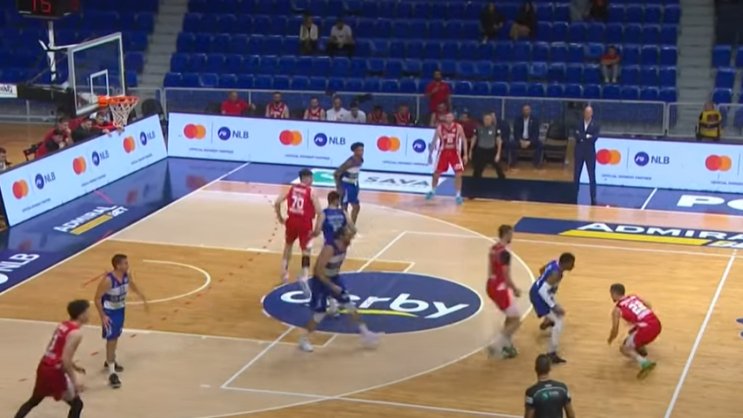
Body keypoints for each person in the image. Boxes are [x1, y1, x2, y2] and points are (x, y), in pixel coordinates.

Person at [299, 226, 378, 352]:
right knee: (319, 314)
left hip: (334, 277)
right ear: (341, 236)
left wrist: (336, 282)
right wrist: (332, 286)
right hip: (321, 282)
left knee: (349, 304)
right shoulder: (330, 248)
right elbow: (317, 270)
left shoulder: (344, 245)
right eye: (349, 235)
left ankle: (365, 332)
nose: (351, 237)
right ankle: (303, 339)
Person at [12, 300, 90, 418]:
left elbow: (52, 348)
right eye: (87, 312)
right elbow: (65, 359)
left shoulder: (63, 325)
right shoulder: (76, 334)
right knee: (77, 404)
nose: (89, 315)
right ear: (81, 315)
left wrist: (74, 366)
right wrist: (75, 381)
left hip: (44, 366)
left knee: (34, 400)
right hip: (55, 371)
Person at [94, 254, 148, 389]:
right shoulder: (108, 280)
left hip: (120, 310)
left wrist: (141, 296)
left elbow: (131, 283)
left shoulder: (126, 275)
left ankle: (109, 361)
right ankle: (112, 373)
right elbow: (97, 298)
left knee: (115, 337)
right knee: (111, 340)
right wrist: (103, 316)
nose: (127, 265)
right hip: (110, 313)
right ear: (118, 266)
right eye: (125, 263)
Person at [274, 168, 322, 286]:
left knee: (288, 245)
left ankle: (284, 273)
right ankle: (304, 275)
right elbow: (319, 212)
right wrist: (317, 227)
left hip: (291, 220)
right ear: (306, 178)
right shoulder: (311, 191)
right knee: (306, 249)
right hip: (304, 222)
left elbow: (277, 202)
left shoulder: (291, 188)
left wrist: (280, 217)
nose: (312, 180)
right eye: (311, 178)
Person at [312, 190, 356, 317]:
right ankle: (336, 301)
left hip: (330, 245)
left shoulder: (324, 214)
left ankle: (333, 304)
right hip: (341, 246)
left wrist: (312, 234)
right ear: (336, 200)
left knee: (326, 272)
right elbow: (353, 228)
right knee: (332, 272)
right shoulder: (343, 212)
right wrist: (348, 236)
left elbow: (317, 230)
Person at [529, 252, 576, 364]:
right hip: (539, 296)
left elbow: (542, 270)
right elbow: (542, 291)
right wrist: (553, 306)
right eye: (572, 263)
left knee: (559, 315)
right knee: (559, 322)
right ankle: (551, 353)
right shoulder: (556, 274)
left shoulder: (554, 263)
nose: (573, 266)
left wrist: (544, 282)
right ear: (566, 263)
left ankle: (548, 320)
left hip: (538, 291)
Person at [607, 283, 660, 379]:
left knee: (624, 348)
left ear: (614, 293)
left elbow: (615, 330)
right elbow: (648, 305)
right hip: (656, 324)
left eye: (611, 293)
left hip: (647, 330)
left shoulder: (617, 310)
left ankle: (645, 363)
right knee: (632, 331)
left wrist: (610, 339)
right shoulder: (633, 297)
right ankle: (640, 347)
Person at [486, 225, 521, 359]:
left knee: (510, 316)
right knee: (516, 320)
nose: (512, 237)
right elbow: (506, 276)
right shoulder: (505, 253)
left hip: (491, 285)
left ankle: (507, 344)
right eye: (511, 234)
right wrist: (515, 289)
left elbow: (491, 269)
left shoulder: (493, 248)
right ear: (507, 234)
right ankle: (496, 345)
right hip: (500, 289)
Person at [426, 113, 468, 204]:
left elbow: (464, 140)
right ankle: (432, 190)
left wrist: (465, 154)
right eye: (447, 117)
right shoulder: (440, 128)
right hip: (443, 152)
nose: (449, 118)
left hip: (455, 152)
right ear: (445, 118)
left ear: (453, 118)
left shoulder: (458, 127)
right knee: (436, 173)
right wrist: (430, 155)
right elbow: (434, 142)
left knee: (459, 174)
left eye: (450, 117)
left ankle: (458, 195)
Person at [573, 106, 600, 205]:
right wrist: (587, 136)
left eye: (589, 112)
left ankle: (593, 197)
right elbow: (576, 135)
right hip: (579, 151)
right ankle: (574, 195)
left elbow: (594, 138)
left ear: (592, 113)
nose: (587, 114)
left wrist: (582, 137)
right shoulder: (578, 123)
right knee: (577, 174)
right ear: (584, 113)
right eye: (586, 112)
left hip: (590, 153)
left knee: (591, 175)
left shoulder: (596, 124)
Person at [334, 142, 364, 224]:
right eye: (359, 150)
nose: (361, 152)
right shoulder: (349, 162)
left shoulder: (361, 160)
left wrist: (357, 184)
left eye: (362, 150)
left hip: (353, 185)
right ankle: (343, 225)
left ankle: (352, 225)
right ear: (354, 151)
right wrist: (339, 187)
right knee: (344, 207)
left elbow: (355, 173)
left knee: (356, 207)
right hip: (345, 186)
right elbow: (336, 173)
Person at [470, 113, 506, 180]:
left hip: (491, 151)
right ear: (483, 120)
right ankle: (475, 182)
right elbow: (474, 139)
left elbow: (499, 141)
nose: (487, 121)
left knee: (498, 168)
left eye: (488, 119)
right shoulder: (478, 128)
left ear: (491, 120)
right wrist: (470, 150)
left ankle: (502, 181)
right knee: (477, 170)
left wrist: (498, 154)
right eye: (485, 119)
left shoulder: (496, 129)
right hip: (481, 151)